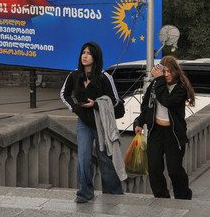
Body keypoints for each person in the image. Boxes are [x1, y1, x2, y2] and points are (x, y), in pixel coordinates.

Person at [60, 42, 124, 203]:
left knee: (105, 158)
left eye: (89, 53)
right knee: (83, 157)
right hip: (83, 122)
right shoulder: (74, 75)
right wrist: (75, 108)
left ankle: (113, 193)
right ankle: (85, 192)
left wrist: (95, 104)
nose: (85, 56)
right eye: (83, 52)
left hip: (101, 122)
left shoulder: (104, 77)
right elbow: (63, 94)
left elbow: (115, 101)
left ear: (95, 57)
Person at [134, 55, 195, 200]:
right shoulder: (156, 85)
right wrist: (139, 122)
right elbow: (146, 106)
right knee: (154, 168)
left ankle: (183, 195)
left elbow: (167, 101)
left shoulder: (180, 88)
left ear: (176, 72)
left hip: (173, 134)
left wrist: (159, 79)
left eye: (170, 71)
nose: (167, 75)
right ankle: (161, 196)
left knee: (174, 170)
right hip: (156, 132)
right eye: (164, 71)